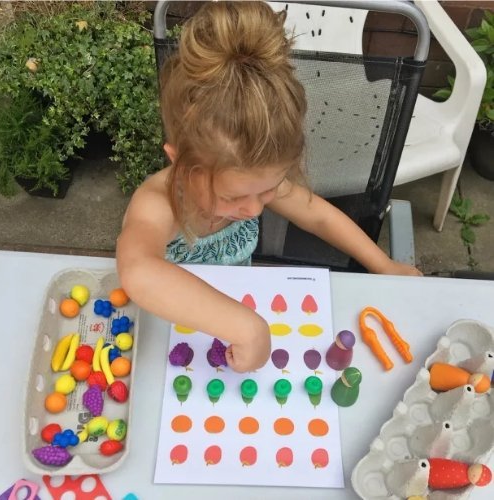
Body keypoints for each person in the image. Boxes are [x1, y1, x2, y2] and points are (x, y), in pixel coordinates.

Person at [116, 1, 422, 374]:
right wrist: (248, 328)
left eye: (268, 190)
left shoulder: (253, 185)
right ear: (178, 161)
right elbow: (138, 272)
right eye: (233, 197)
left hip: (240, 339)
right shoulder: (157, 204)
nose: (256, 209)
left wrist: (384, 265)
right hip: (168, 350)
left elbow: (318, 217)